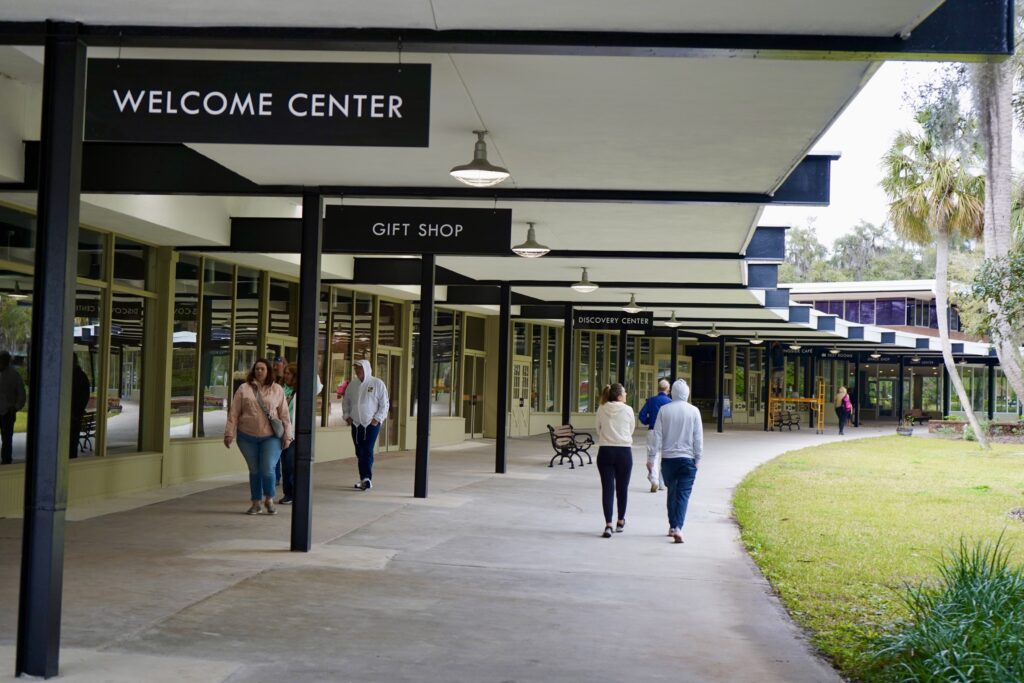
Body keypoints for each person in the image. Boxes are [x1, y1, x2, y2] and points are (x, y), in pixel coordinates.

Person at [224, 358, 292, 515]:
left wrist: (288, 436)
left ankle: (269, 498)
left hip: (271, 437)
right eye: (256, 369)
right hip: (247, 437)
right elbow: (234, 412)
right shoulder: (243, 389)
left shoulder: (277, 390)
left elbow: (284, 415)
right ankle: (256, 502)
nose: (259, 371)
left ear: (268, 371)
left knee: (267, 469)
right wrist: (229, 432)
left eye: (262, 369)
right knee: (254, 470)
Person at [653, 379, 703, 544]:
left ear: (672, 392)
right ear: (687, 393)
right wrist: (698, 458)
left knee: (672, 492)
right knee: (682, 495)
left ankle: (672, 525)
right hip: (688, 459)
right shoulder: (694, 411)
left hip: (668, 460)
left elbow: (657, 436)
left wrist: (651, 458)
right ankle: (678, 528)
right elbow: (698, 437)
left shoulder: (663, 410)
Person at [278, 362, 323, 505]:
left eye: (288, 373)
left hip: (294, 433)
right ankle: (288, 493)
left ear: (296, 375)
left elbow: (317, 385)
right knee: (284, 465)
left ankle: (293, 493)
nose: (285, 376)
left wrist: (307, 366)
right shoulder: (280, 389)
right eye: (284, 373)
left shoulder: (303, 390)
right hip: (280, 431)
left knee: (291, 464)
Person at [594, 382, 636, 538]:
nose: (626, 394)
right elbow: (631, 429)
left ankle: (608, 525)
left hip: (605, 451)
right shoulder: (628, 410)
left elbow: (598, 429)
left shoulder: (601, 408)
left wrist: (608, 437)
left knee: (607, 489)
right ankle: (620, 520)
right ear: (619, 396)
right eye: (624, 392)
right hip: (624, 451)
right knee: (622, 488)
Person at [343, 359, 389, 491]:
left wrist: (377, 419)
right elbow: (346, 402)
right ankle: (363, 478)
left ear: (367, 369)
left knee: (367, 450)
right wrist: (347, 416)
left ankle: (367, 478)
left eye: (360, 369)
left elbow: (384, 404)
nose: (358, 371)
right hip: (356, 424)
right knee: (359, 451)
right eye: (356, 369)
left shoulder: (377, 383)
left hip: (371, 424)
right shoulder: (352, 385)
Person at [638, 379, 672, 493]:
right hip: (666, 432)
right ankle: (662, 483)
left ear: (658, 389)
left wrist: (649, 421)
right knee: (665, 457)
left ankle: (654, 480)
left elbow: (642, 415)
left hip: (652, 431)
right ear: (668, 389)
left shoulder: (651, 400)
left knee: (653, 456)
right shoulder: (670, 402)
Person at [0, 351, 26, 465]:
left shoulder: (14, 375)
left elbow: (21, 394)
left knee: (7, 439)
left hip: (8, 412)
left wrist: (15, 407)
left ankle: (6, 460)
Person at [70, 355, 91, 459]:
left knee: (71, 445)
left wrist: (74, 414)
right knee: (72, 446)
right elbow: (85, 397)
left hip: (73, 418)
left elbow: (82, 397)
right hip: (75, 417)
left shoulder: (75, 377)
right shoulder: (82, 377)